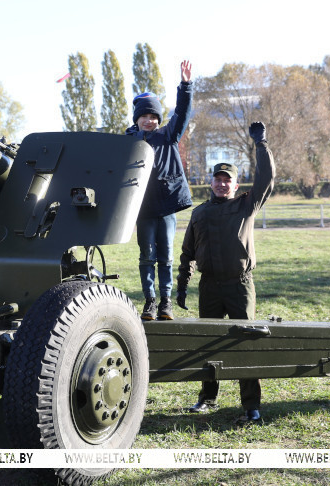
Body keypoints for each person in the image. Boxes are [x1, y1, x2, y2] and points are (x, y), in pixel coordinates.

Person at [176, 121, 276, 424]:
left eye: (227, 180)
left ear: (235, 184)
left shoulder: (247, 205)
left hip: (239, 286)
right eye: (218, 179)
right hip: (209, 287)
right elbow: (188, 252)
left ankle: (250, 406)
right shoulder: (200, 212)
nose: (222, 184)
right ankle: (207, 398)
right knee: (209, 342)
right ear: (212, 183)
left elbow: (267, 177)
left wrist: (261, 144)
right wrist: (183, 284)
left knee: (244, 343)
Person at [126, 60, 194, 321]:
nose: (149, 120)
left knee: (165, 256)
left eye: (153, 116)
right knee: (146, 256)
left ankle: (166, 302)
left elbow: (183, 113)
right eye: (144, 116)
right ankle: (150, 302)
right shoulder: (128, 142)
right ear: (137, 119)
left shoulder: (168, 136)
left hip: (165, 207)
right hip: (141, 208)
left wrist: (185, 85)